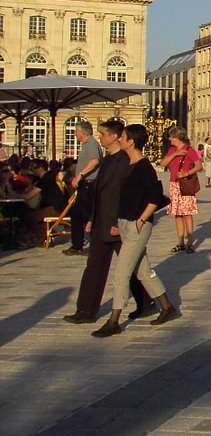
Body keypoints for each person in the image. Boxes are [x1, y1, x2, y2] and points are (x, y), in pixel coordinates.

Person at [91, 124, 179, 338]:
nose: (119, 139)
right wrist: (117, 222)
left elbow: (155, 198)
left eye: (122, 137)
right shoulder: (128, 164)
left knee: (121, 273)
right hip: (125, 224)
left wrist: (141, 219)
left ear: (131, 141)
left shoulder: (143, 167)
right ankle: (167, 307)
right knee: (142, 270)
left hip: (137, 226)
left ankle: (114, 321)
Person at [63, 119, 153, 325]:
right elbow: (100, 194)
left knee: (133, 266)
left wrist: (118, 222)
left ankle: (148, 302)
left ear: (114, 136)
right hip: (101, 221)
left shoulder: (124, 161)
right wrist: (92, 219)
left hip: (117, 223)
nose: (100, 138)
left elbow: (125, 195)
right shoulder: (108, 160)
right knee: (94, 266)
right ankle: (86, 309)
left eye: (103, 134)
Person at [161, 126, 202, 254]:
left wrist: (186, 173)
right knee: (177, 214)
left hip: (185, 185)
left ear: (177, 137)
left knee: (187, 213)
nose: (169, 139)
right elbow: (163, 163)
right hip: (174, 184)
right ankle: (180, 241)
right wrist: (175, 154)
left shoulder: (189, 150)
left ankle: (190, 241)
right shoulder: (172, 150)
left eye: (171, 137)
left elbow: (199, 165)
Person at [66, 120, 102, 255]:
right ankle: (77, 245)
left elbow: (94, 161)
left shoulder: (92, 144)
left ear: (82, 132)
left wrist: (79, 175)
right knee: (76, 214)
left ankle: (95, 246)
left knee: (88, 215)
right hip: (84, 184)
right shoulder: (87, 144)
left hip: (89, 183)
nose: (75, 134)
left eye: (76, 131)